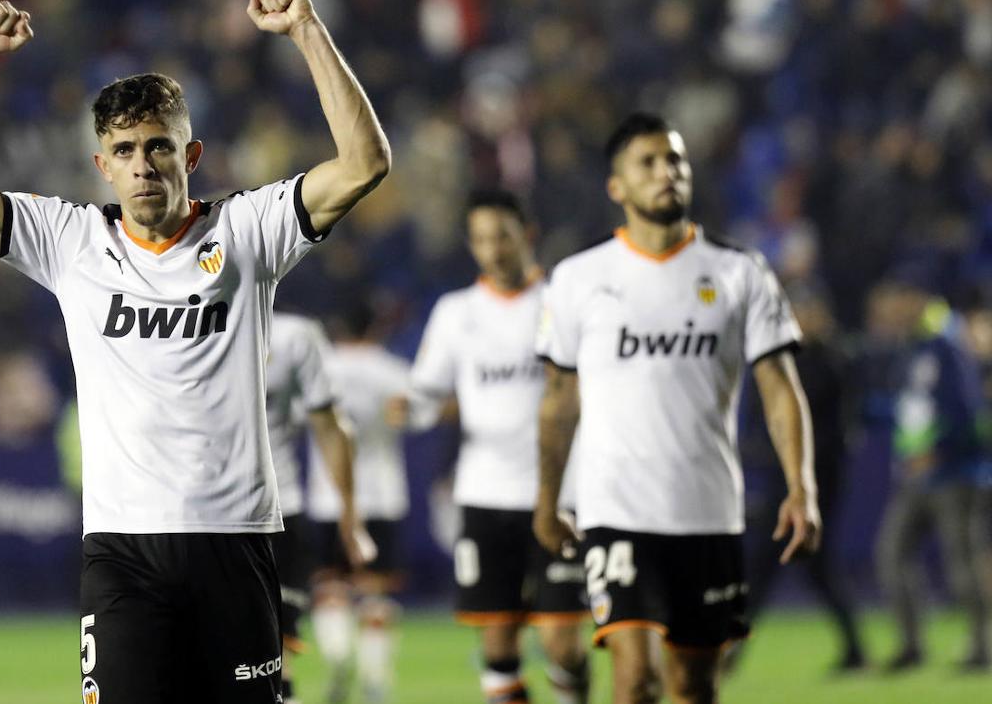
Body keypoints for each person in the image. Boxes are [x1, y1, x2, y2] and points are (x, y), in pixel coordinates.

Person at [0, 0, 390, 702]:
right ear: (103, 166)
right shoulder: (69, 241)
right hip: (123, 551)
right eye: (124, 150)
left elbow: (365, 161)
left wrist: (309, 30)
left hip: (235, 539)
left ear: (190, 152)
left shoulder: (247, 231)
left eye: (158, 146)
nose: (142, 165)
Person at [533, 112, 820, 704]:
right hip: (615, 510)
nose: (667, 172)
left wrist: (802, 485)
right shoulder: (579, 279)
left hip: (707, 510)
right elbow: (559, 404)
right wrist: (547, 499)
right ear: (617, 187)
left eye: (676, 161)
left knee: (694, 684)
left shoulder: (741, 273)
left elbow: (779, 386)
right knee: (634, 677)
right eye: (648, 162)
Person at [407, 190, 590, 704]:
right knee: (498, 637)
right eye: (483, 240)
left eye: (503, 236)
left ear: (526, 234)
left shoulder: (561, 303)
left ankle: (574, 692)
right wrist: (412, 408)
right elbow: (426, 395)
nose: (494, 249)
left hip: (560, 493)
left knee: (561, 640)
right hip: (485, 494)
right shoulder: (455, 312)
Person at [732, 282, 866, 672]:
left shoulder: (832, 360)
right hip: (781, 480)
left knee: (784, 567)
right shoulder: (777, 358)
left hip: (817, 483)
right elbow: (759, 416)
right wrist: (760, 449)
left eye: (812, 310)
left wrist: (806, 472)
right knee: (774, 567)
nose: (807, 318)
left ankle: (732, 649)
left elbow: (838, 429)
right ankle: (733, 648)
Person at [871, 269, 992, 671]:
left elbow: (969, 412)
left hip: (955, 473)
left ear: (917, 297)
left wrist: (938, 449)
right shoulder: (915, 344)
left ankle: (983, 647)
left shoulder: (947, 341)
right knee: (892, 553)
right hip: (917, 474)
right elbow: (911, 408)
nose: (891, 308)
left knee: (964, 566)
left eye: (898, 298)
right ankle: (913, 645)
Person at [265, 310, 373, 704]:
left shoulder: (295, 336)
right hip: (201, 521)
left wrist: (350, 514)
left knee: (274, 654)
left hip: (279, 512)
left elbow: (330, 423)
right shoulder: (176, 321)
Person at [306, 301, 410, 704]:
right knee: (375, 596)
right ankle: (375, 681)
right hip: (382, 496)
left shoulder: (321, 366)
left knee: (331, 589)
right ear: (376, 327)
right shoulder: (392, 370)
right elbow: (414, 412)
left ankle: (337, 656)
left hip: (327, 496)